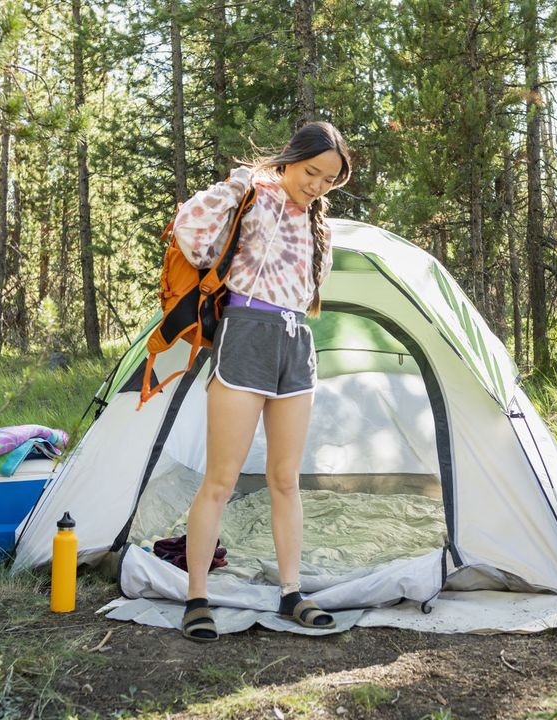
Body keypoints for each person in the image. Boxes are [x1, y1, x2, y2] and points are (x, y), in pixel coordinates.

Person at [170, 121, 352, 642]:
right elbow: (191, 229)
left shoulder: (321, 225)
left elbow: (311, 286)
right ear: (289, 161)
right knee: (221, 479)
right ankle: (197, 596)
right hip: (245, 332)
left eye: (328, 179)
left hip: (295, 343)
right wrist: (238, 184)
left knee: (284, 478)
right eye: (310, 171)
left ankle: (291, 591)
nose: (316, 184)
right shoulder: (254, 196)